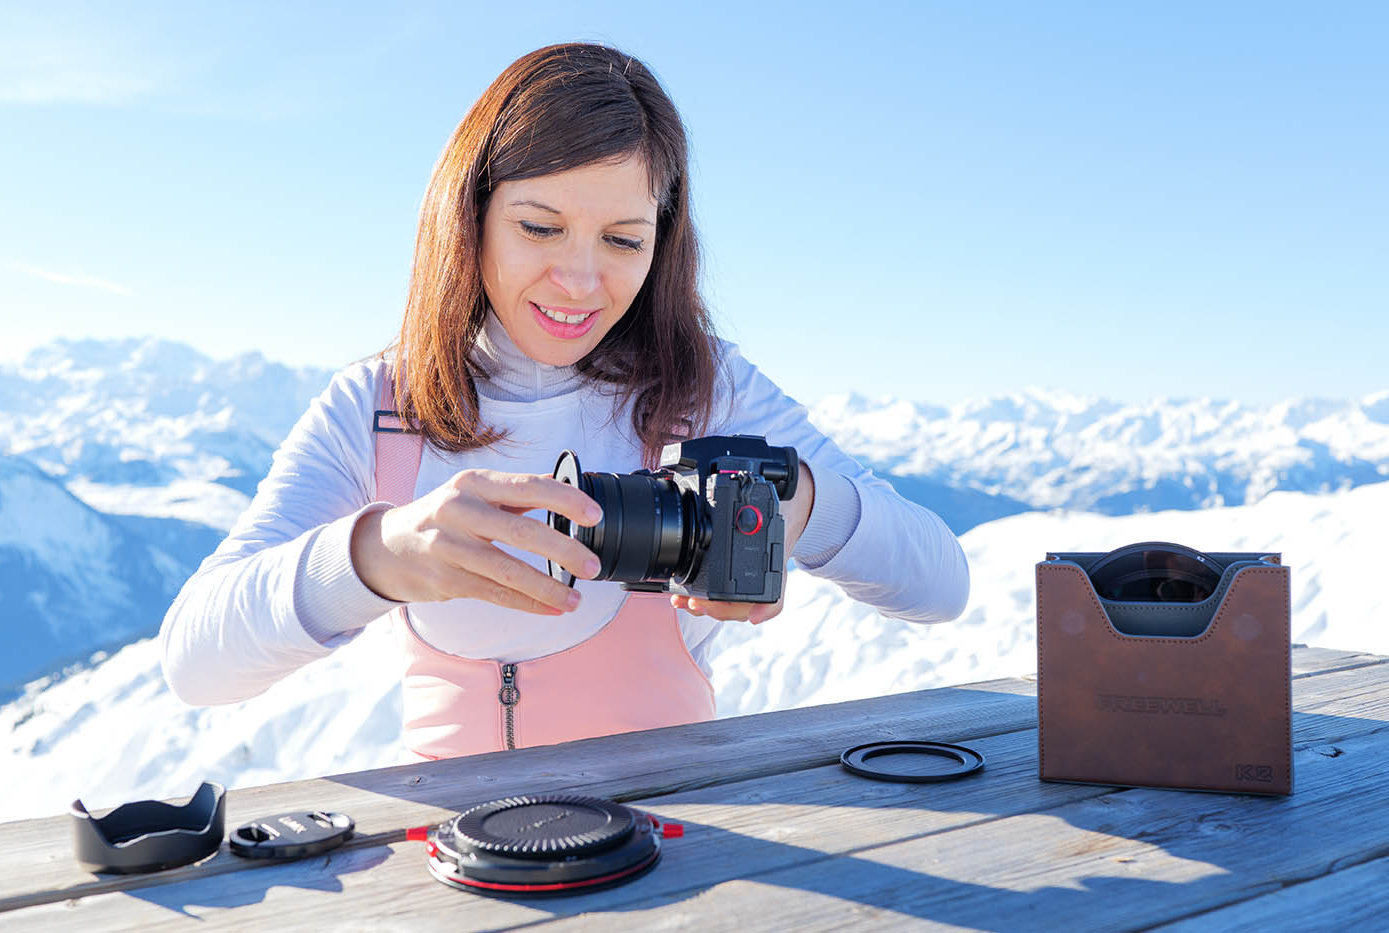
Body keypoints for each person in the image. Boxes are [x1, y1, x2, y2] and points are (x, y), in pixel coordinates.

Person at [159, 42, 969, 761]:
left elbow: (941, 584)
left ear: (663, 240)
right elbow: (195, 663)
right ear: (468, 217)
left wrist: (802, 509)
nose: (582, 281)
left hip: (688, 858)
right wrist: (379, 557)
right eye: (540, 228)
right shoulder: (380, 410)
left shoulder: (707, 389)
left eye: (623, 239)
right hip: (459, 875)